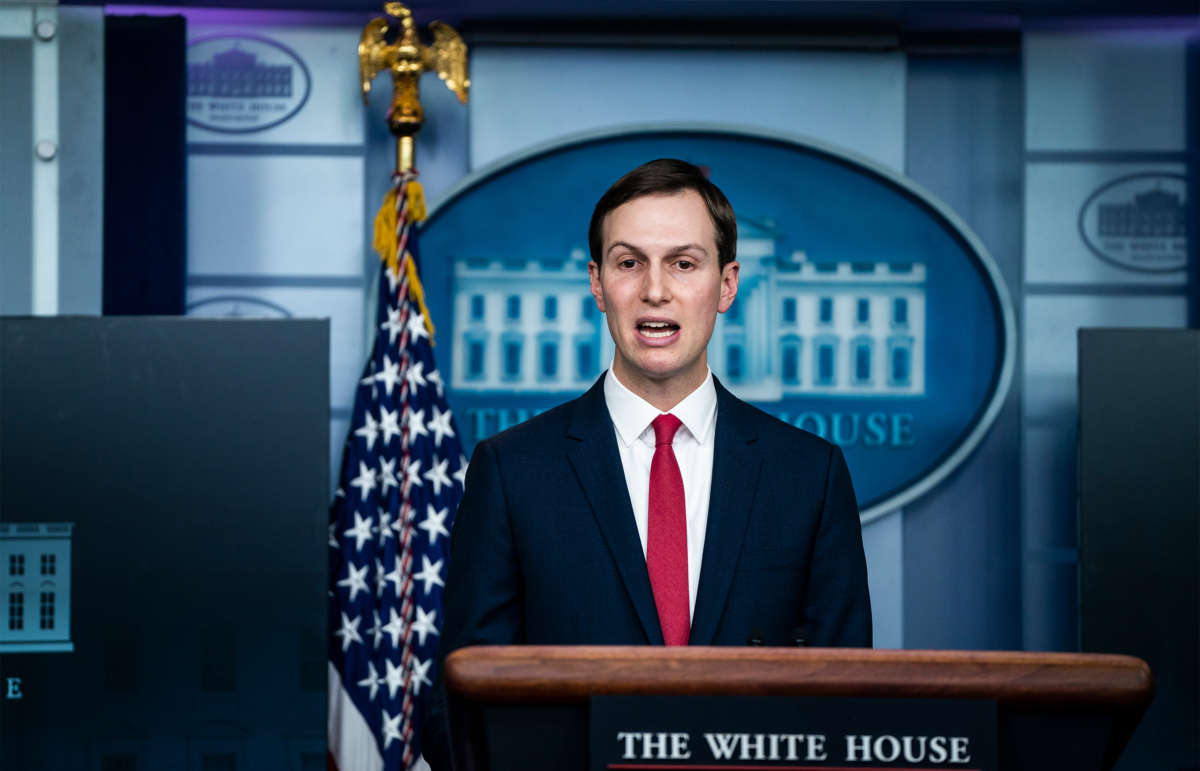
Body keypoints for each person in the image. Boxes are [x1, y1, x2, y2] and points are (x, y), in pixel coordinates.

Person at [423, 158, 871, 768]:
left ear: (727, 285)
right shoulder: (512, 471)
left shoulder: (809, 475)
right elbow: (458, 702)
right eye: (629, 263)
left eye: (683, 263)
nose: (655, 289)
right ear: (597, 283)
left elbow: (846, 702)